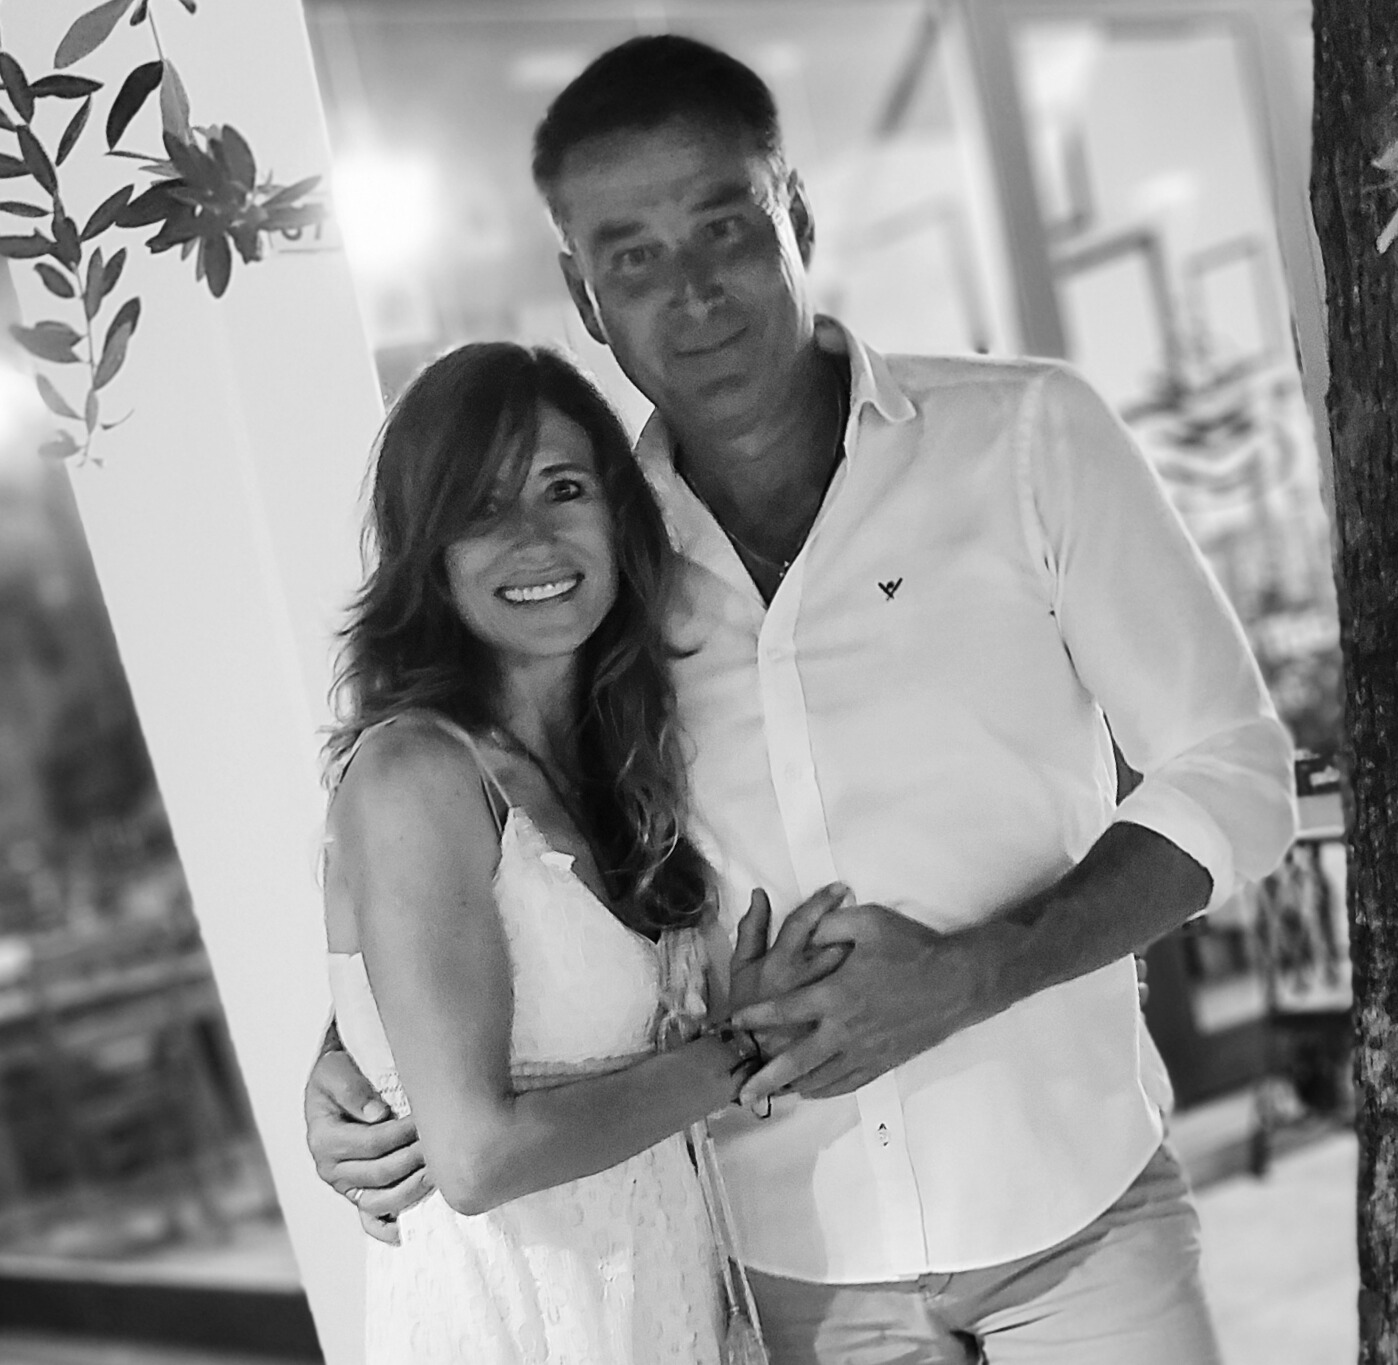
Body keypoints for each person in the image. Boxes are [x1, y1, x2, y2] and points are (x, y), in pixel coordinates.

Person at [306, 36, 1297, 1364]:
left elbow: (1233, 771)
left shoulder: (1027, 440)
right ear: (585, 296)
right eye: (632, 257)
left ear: (798, 219)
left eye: (725, 226)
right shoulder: (597, 564)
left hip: (1074, 1206)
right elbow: (517, 852)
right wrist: (364, 1050)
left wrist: (975, 973)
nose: (693, 291)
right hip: (788, 1272)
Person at [319, 339, 833, 1363]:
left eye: (563, 488)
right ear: (428, 556)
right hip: (518, 1323)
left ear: (617, 513)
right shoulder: (417, 772)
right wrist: (740, 1050)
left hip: (660, 1299)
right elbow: (476, 1156)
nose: (535, 538)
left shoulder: (622, 760)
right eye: (481, 509)